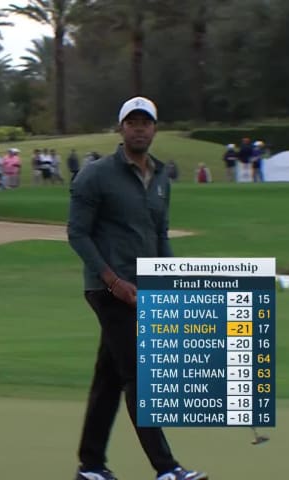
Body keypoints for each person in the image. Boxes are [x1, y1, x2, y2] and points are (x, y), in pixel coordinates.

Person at [67, 96, 208, 480]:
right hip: (107, 288)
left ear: (155, 128)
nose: (140, 128)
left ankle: (91, 465)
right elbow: (77, 234)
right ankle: (166, 469)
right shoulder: (96, 175)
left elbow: (159, 234)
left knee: (109, 377)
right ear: (121, 128)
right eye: (133, 122)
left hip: (145, 287)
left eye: (146, 122)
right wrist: (112, 280)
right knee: (140, 375)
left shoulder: (161, 177)